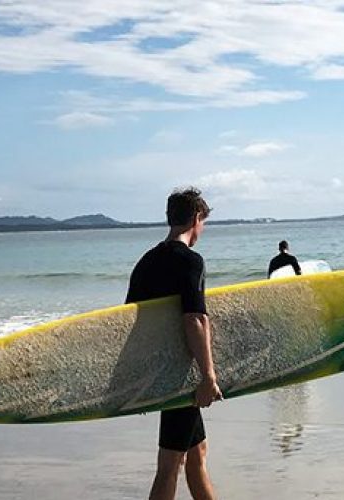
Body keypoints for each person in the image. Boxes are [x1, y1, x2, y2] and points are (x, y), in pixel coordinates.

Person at [125, 187, 222, 500]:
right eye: (203, 222)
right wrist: (208, 376)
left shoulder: (146, 262)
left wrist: (137, 380)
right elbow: (195, 319)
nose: (201, 231)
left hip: (157, 371)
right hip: (181, 375)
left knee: (196, 453)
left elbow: (129, 322)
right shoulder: (190, 261)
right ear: (195, 219)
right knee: (170, 464)